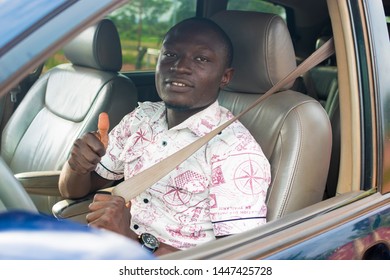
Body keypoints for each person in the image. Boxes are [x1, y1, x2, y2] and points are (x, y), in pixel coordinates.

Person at [59, 17, 271, 256]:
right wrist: (77, 165)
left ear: (225, 76)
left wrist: (132, 239)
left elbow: (238, 261)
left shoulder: (236, 151)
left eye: (201, 59)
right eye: (170, 55)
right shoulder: (141, 117)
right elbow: (74, 192)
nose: (179, 66)